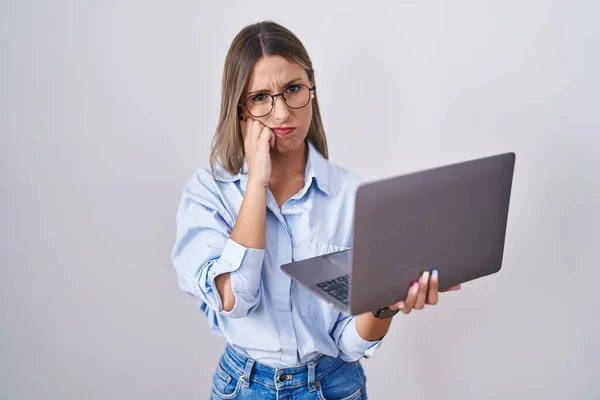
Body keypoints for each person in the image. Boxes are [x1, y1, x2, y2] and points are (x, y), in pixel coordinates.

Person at [171, 20, 460, 400]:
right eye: (260, 97)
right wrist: (257, 183)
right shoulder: (208, 193)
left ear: (311, 85)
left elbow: (348, 344)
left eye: (293, 89)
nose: (281, 113)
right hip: (243, 387)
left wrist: (385, 307)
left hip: (334, 386)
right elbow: (235, 300)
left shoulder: (352, 196)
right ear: (239, 109)